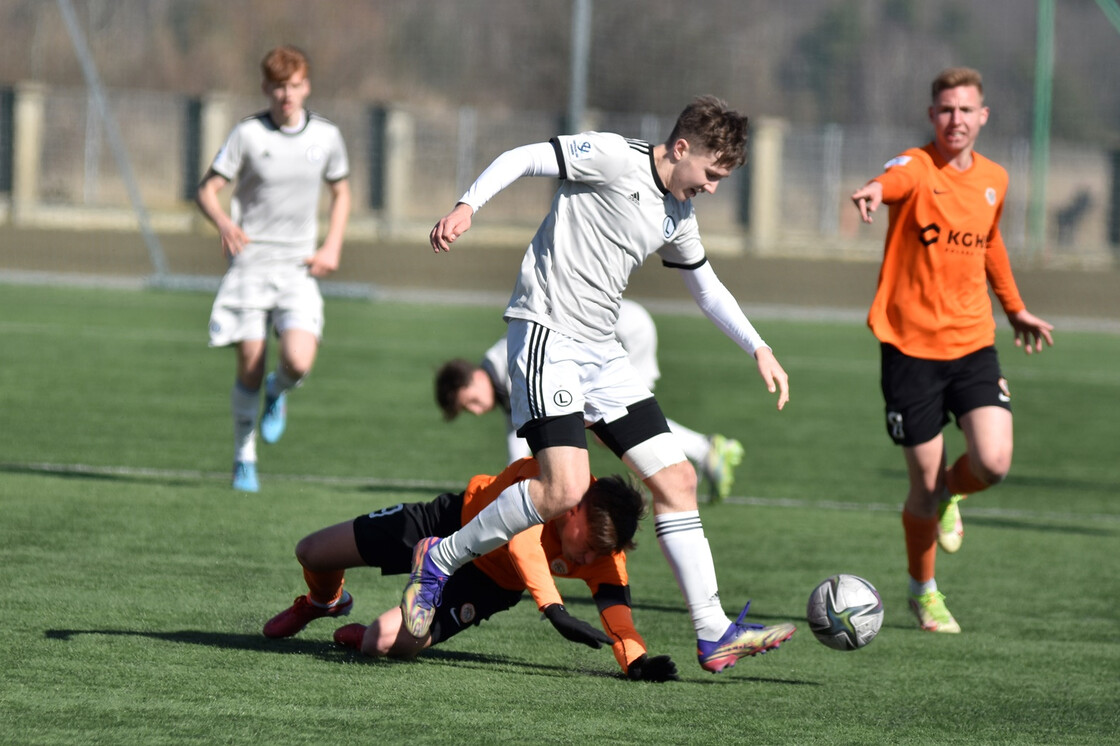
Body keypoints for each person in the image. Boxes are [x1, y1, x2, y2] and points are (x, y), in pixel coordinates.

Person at [407, 95, 796, 674]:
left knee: (679, 479)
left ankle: (713, 631)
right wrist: (467, 207)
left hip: (601, 353)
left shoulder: (676, 215)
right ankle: (441, 558)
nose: (713, 188)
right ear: (682, 149)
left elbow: (708, 288)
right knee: (563, 489)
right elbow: (522, 158)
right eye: (711, 175)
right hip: (547, 334)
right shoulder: (613, 157)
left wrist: (759, 347)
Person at [850, 67, 1054, 633]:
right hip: (910, 350)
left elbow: (991, 245)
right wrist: (872, 189)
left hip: (973, 344)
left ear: (982, 116)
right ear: (931, 115)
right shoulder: (915, 167)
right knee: (922, 483)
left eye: (966, 110)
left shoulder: (995, 179)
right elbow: (891, 180)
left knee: (992, 462)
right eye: (945, 110)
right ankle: (924, 592)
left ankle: (951, 496)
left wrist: (1014, 309)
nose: (955, 120)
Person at [262, 458, 680, 682]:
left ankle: (367, 630)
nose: (586, 561)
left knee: (377, 641)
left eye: (595, 556)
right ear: (573, 508)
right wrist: (554, 608)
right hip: (448, 523)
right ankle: (325, 601)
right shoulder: (550, 476)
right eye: (586, 547)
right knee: (312, 552)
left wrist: (636, 660)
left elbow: (616, 610)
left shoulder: (604, 551)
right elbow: (522, 541)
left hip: (486, 584)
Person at [196, 45, 351, 493]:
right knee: (248, 361)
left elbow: (342, 193)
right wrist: (224, 222)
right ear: (266, 87)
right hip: (250, 264)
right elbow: (208, 190)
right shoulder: (248, 134)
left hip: (298, 265)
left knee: (298, 360)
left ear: (307, 86)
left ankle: (277, 391)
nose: (287, 94)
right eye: (279, 86)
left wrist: (332, 245)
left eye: (296, 85)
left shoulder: (326, 137)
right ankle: (244, 456)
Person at [435, 298, 746, 501]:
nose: (475, 412)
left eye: (470, 402)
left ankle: (705, 450)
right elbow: (518, 435)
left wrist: (511, 489)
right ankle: (704, 450)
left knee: (622, 422)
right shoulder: (500, 372)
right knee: (614, 423)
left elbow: (519, 441)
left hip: (624, 331)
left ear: (476, 378)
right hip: (627, 323)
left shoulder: (507, 367)